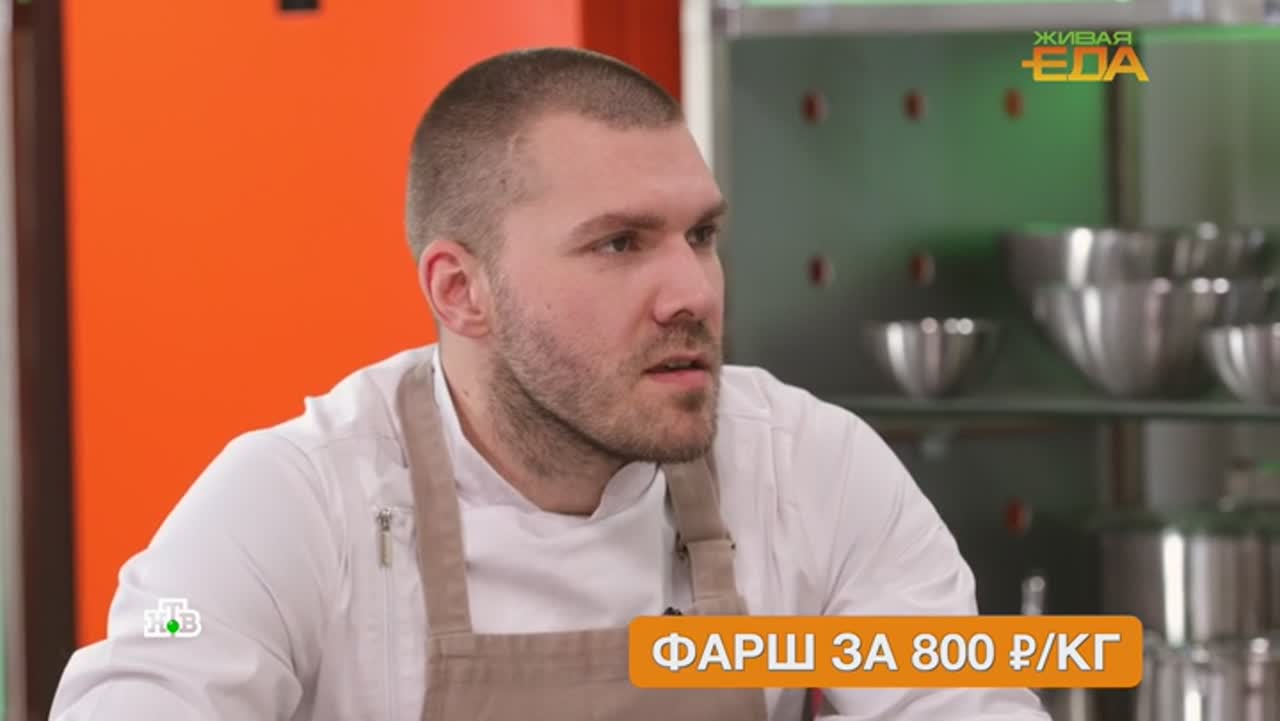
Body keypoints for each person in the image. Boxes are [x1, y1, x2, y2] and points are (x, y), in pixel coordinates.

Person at [48, 47, 1050, 720]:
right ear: (461, 291)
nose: (693, 292)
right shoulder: (288, 505)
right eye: (619, 243)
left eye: (700, 234)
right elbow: (158, 670)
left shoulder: (811, 467)